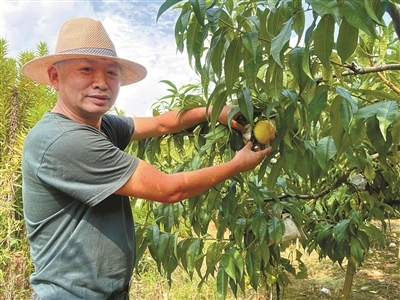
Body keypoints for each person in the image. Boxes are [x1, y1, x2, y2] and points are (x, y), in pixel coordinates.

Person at [21, 17, 271, 300]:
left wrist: (214, 110)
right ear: (55, 77)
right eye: (86, 69)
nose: (101, 83)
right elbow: (168, 188)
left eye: (112, 73)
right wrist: (237, 165)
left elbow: (162, 124)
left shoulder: (100, 125)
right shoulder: (65, 140)